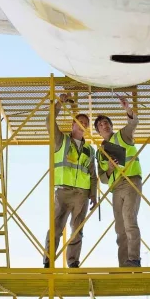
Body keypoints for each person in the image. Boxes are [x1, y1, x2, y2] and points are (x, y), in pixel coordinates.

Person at [43, 93, 97, 268]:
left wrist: (93, 195)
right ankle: (48, 261)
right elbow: (49, 122)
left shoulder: (89, 149)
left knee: (77, 231)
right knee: (56, 227)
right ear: (73, 124)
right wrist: (60, 103)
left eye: (86, 123)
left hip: (82, 194)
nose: (83, 125)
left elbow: (93, 175)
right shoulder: (61, 141)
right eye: (80, 122)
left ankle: (73, 262)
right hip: (63, 192)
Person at [94, 96, 142, 267]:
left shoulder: (123, 136)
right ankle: (124, 265)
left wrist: (127, 109)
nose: (104, 125)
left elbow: (133, 123)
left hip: (130, 181)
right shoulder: (99, 152)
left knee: (129, 220)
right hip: (116, 188)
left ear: (111, 125)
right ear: (98, 131)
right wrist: (109, 169)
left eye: (106, 123)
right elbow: (102, 178)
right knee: (120, 228)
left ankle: (134, 259)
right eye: (101, 125)